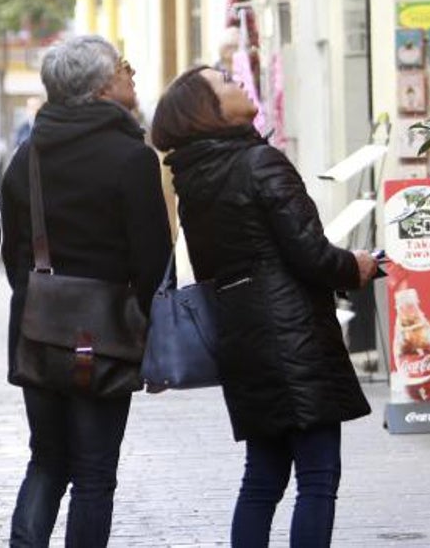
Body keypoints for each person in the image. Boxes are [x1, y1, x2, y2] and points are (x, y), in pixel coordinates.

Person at [150, 65, 378, 548]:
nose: (237, 81)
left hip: (241, 336)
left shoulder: (194, 178)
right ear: (206, 109)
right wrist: (355, 266)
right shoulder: (259, 163)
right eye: (225, 81)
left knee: (263, 477)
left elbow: (212, 264)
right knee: (317, 476)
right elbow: (311, 254)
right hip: (294, 334)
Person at [1, 34, 171, 547]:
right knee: (94, 475)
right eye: (123, 67)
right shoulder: (131, 157)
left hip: (39, 334)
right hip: (108, 337)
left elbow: (14, 259)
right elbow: (153, 262)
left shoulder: (26, 157)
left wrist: (42, 307)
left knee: (47, 461)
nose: (132, 74)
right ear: (100, 87)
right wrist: (155, 338)